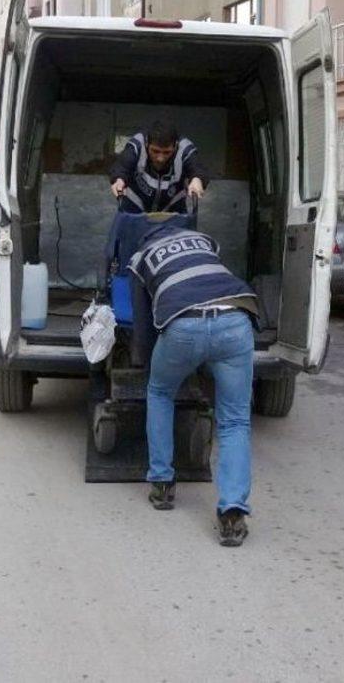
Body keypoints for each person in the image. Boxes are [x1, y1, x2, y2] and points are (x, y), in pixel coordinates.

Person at [128, 220, 259, 547]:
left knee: (159, 392)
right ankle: (232, 513)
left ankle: (162, 485)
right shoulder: (205, 240)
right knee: (235, 420)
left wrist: (144, 359)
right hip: (236, 319)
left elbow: (144, 322)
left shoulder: (140, 257)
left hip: (183, 326)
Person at [110, 120, 208, 214]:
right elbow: (122, 165)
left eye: (167, 152)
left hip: (173, 209)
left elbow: (197, 167)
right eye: (155, 151)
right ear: (147, 144)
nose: (160, 158)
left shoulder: (185, 149)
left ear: (176, 146)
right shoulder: (137, 145)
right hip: (135, 205)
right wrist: (119, 180)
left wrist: (197, 180)